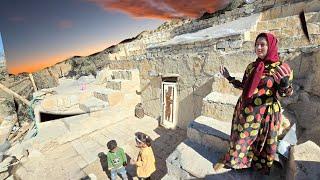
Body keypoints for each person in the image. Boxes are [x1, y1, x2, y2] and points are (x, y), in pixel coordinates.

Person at [214, 32, 293, 175]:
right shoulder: (252, 66)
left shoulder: (280, 68)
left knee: (261, 142)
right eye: (257, 44)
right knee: (241, 139)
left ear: (271, 46)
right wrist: (229, 78)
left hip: (265, 113)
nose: (259, 47)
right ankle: (238, 163)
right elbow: (244, 86)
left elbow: (285, 93)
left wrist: (285, 84)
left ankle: (256, 166)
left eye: (263, 44)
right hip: (246, 110)